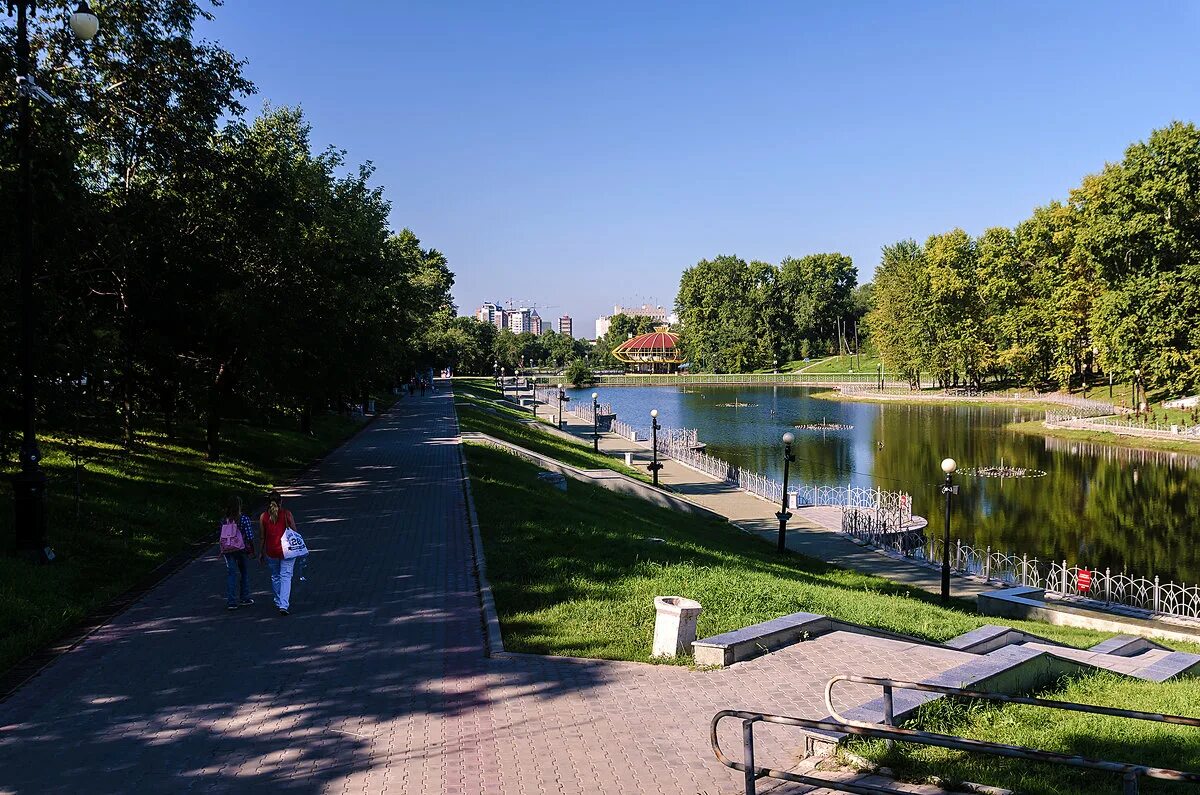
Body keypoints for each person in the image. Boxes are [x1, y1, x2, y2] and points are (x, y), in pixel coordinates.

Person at [258, 490, 299, 616]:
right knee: (286, 577)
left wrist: (261, 552)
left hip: (271, 551)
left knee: (275, 576)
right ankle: (283, 604)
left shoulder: (263, 517)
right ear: (281, 502)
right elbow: (294, 531)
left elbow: (262, 537)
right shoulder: (287, 514)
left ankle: (277, 599)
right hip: (287, 551)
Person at [218, 496, 255, 610]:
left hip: (228, 549)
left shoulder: (224, 520)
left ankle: (232, 601)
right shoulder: (243, 519)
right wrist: (252, 549)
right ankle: (244, 597)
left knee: (231, 574)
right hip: (241, 548)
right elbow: (249, 536)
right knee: (244, 572)